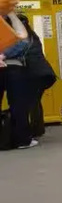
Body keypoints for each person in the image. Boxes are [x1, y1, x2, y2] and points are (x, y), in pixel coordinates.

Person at [0, 14, 37, 150]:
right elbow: (24, 42)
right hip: (14, 67)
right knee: (18, 104)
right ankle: (22, 140)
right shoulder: (14, 24)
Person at [16, 14, 56, 139]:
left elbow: (21, 54)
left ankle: (34, 130)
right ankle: (38, 129)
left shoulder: (23, 37)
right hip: (44, 74)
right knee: (35, 101)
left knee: (32, 101)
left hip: (35, 74)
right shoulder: (33, 35)